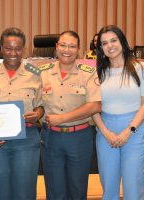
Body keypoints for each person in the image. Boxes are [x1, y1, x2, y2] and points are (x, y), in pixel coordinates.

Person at [0, 27, 44, 200]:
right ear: (1, 49)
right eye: (8, 48)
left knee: (25, 193)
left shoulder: (35, 76)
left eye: (18, 49)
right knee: (0, 193)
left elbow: (41, 106)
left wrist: (37, 115)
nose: (13, 53)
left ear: (24, 50)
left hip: (26, 140)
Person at [93, 25, 144, 200]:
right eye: (104, 43)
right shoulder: (97, 73)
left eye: (114, 40)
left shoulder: (140, 68)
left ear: (122, 42)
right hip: (106, 132)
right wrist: (106, 132)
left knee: (133, 186)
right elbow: (93, 107)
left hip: (135, 129)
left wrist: (129, 130)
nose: (110, 45)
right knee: (109, 186)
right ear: (101, 49)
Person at [40, 30, 101, 200]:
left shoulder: (89, 73)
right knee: (54, 191)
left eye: (72, 46)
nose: (67, 50)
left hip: (79, 138)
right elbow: (35, 103)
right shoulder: (42, 72)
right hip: (51, 137)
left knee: (77, 190)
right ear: (56, 47)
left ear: (78, 49)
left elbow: (95, 105)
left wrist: (62, 118)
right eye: (63, 45)